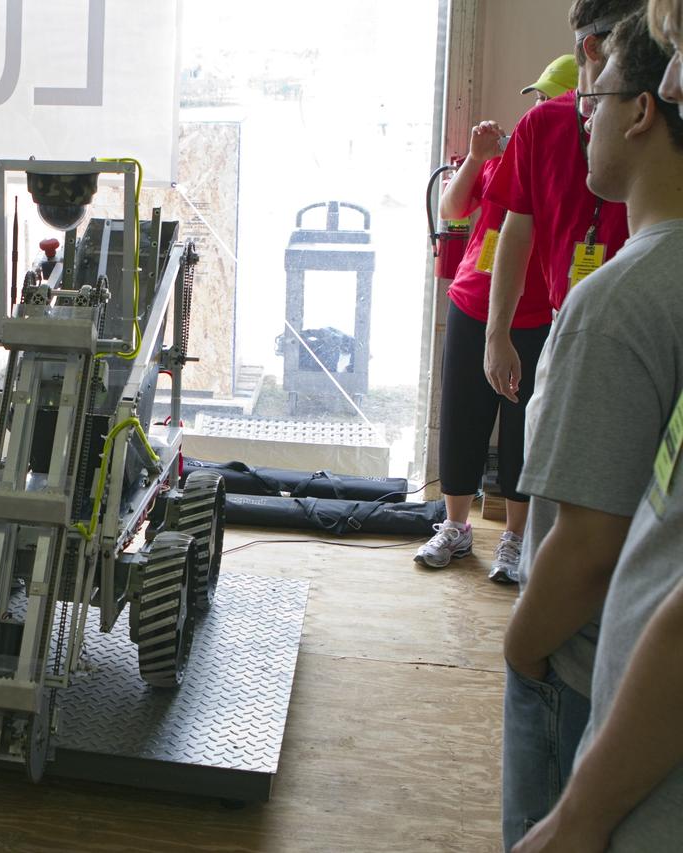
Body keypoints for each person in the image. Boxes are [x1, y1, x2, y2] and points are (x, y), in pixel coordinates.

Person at [497, 3, 683, 849]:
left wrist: (521, 646)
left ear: (643, 110)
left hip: (579, 675)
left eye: (597, 96)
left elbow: (586, 544)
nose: (584, 117)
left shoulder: (614, 304)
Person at [415, 55, 576, 582]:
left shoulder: (574, 171)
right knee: (462, 416)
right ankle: (455, 527)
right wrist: (478, 155)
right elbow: (452, 209)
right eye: (534, 98)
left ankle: (514, 538)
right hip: (469, 305)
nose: (536, 108)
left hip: (534, 317)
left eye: (549, 98)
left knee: (523, 428)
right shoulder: (505, 161)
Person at [483, 1, 637, 402]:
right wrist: (497, 332)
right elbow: (515, 233)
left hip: (636, 335)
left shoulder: (651, 119)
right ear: (593, 49)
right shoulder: (540, 125)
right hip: (565, 329)